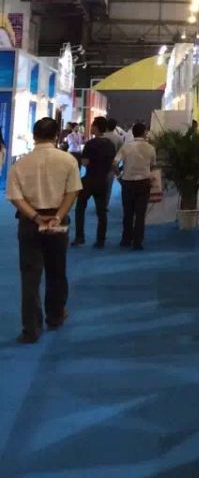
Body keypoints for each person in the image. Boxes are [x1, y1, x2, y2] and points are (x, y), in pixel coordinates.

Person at [6, 117, 81, 343]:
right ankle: (55, 316)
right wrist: (57, 217)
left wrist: (36, 217)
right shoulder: (68, 160)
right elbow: (72, 192)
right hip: (58, 219)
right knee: (57, 270)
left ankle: (31, 329)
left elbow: (15, 197)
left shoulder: (20, 164)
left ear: (34, 135)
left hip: (30, 222)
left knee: (30, 276)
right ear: (57, 136)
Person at [73, 116, 117, 248]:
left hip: (89, 179)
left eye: (92, 125)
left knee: (80, 208)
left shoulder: (90, 144)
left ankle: (80, 237)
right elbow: (112, 162)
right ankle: (101, 240)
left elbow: (85, 163)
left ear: (96, 127)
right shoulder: (110, 144)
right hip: (103, 180)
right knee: (102, 212)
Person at [116, 122, 156, 251]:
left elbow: (114, 163)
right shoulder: (150, 148)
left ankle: (126, 239)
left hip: (127, 182)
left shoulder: (126, 147)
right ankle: (138, 242)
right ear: (144, 132)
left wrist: (119, 176)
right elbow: (152, 165)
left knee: (127, 212)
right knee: (140, 214)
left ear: (133, 133)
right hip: (144, 182)